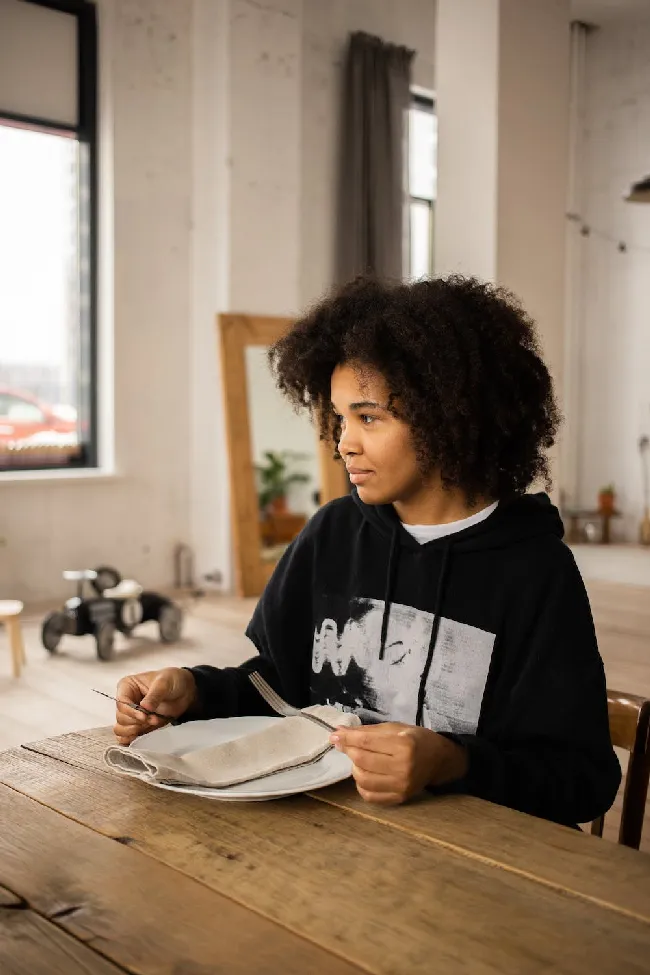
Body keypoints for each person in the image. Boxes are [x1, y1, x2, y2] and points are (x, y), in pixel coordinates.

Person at [114, 275, 621, 826]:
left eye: (369, 417)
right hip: (329, 841)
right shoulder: (331, 534)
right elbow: (283, 692)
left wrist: (452, 762)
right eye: (339, 418)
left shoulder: (533, 571)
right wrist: (196, 690)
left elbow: (581, 781)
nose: (343, 443)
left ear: (450, 415)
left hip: (471, 864)